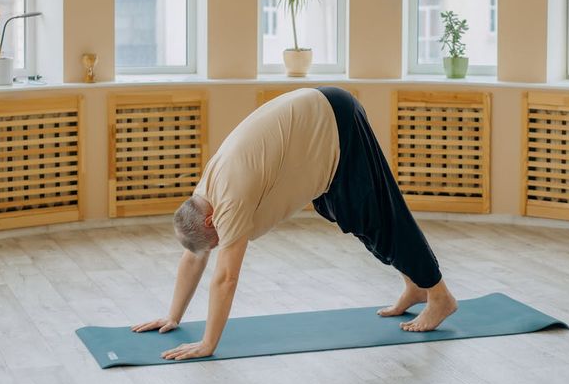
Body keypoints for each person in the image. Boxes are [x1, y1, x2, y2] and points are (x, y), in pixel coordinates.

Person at [131, 87, 457, 360]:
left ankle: (440, 296)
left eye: (215, 240)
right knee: (360, 216)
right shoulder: (203, 196)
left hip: (336, 123)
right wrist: (173, 316)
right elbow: (195, 254)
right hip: (323, 131)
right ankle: (416, 285)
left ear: (209, 220)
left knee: (384, 217)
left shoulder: (228, 199)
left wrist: (208, 343)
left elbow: (226, 278)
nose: (217, 246)